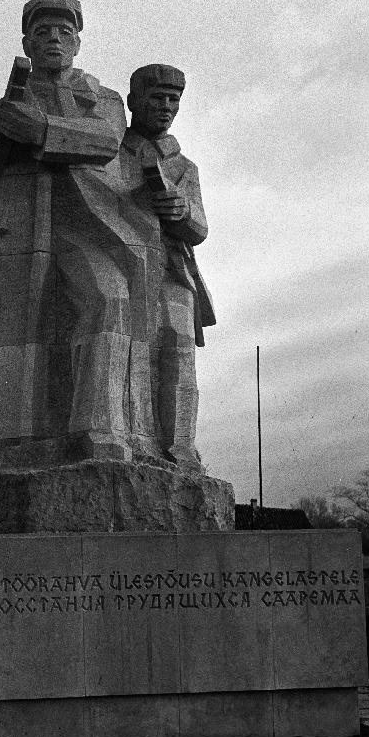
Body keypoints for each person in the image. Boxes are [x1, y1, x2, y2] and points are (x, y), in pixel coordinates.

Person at [0, 0, 162, 468]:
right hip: (21, 226)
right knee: (18, 330)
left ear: (77, 42)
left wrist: (42, 129)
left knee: (108, 298)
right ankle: (8, 445)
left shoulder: (102, 97)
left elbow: (105, 142)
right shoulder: (5, 106)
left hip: (86, 224)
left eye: (64, 32)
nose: (54, 39)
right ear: (27, 42)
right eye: (43, 32)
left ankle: (100, 428)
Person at [119, 64, 215, 466]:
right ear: (132, 102)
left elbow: (200, 228)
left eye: (173, 99)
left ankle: (181, 449)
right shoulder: (112, 154)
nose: (166, 106)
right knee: (133, 353)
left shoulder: (185, 166)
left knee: (177, 350)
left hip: (174, 271)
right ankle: (137, 444)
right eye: (156, 97)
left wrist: (183, 209)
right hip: (125, 265)